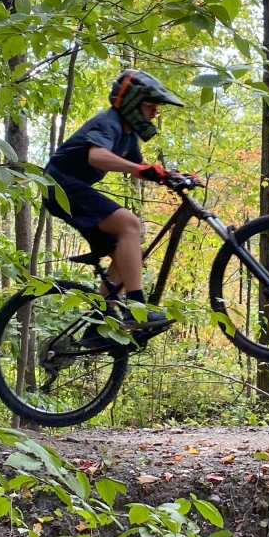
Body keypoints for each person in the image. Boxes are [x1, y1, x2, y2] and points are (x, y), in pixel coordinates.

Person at [43, 69, 184, 345]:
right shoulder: (109, 123)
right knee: (130, 224)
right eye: (150, 104)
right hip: (60, 186)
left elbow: (141, 169)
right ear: (132, 102)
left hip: (73, 190)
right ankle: (136, 308)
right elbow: (97, 156)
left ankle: (99, 321)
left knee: (127, 248)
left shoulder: (128, 137)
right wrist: (142, 169)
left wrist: (174, 177)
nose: (155, 111)